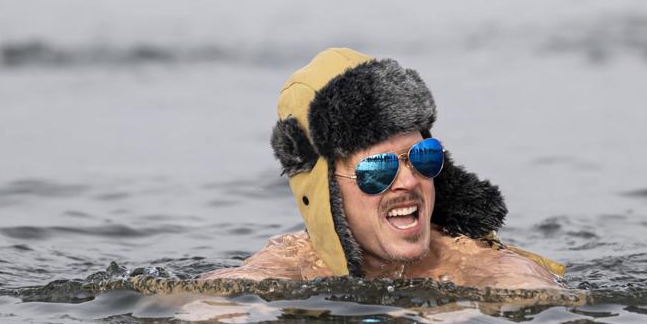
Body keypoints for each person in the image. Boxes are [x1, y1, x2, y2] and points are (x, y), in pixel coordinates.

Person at [203, 48, 567, 289]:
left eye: (423, 157)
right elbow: (202, 307)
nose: (409, 181)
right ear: (324, 190)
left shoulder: (475, 266)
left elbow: (538, 298)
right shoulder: (285, 266)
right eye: (378, 168)